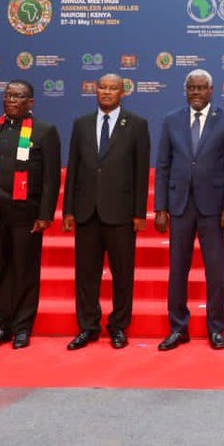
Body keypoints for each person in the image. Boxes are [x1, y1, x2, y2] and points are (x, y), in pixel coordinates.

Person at [154, 69, 224, 351]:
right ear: (186, 91)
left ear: (211, 90)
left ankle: (216, 328)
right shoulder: (172, 120)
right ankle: (178, 327)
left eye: (201, 88)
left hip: (215, 207)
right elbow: (163, 166)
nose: (195, 93)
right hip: (180, 205)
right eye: (191, 88)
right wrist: (160, 207)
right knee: (177, 270)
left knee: (215, 271)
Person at [61, 73, 151, 350]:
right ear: (95, 91)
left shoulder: (136, 124)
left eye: (113, 88)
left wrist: (139, 213)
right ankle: (88, 326)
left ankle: (118, 326)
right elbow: (73, 168)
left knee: (122, 274)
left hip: (122, 213)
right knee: (86, 275)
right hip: (86, 212)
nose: (107, 92)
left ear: (123, 93)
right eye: (102, 88)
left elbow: (140, 172)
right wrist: (68, 210)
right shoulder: (81, 124)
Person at [0, 80, 61, 349]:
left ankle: (22, 327)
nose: (11, 100)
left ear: (30, 102)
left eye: (18, 96)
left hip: (27, 213)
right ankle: (1, 326)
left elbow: (51, 178)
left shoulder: (45, 132)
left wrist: (45, 213)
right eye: (8, 95)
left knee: (24, 271)